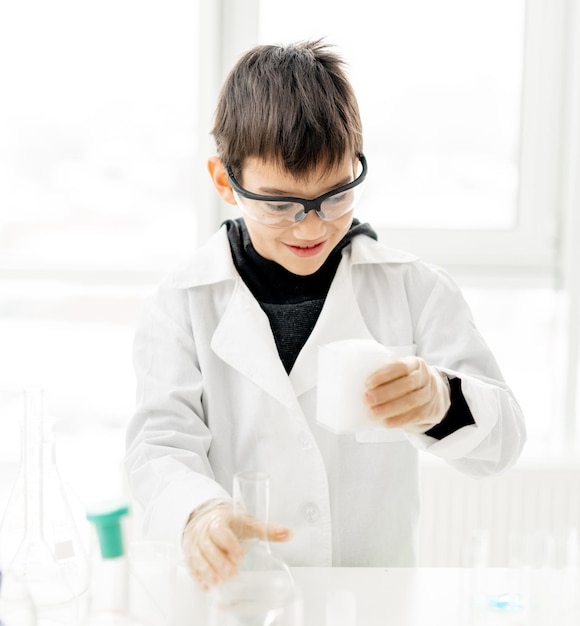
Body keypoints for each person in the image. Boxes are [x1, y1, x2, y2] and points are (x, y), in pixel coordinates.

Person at [124, 39, 526, 590]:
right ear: (225, 181)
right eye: (280, 203)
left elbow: (502, 447)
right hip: (241, 598)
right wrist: (198, 512)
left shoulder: (414, 289)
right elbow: (157, 447)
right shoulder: (184, 302)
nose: (311, 227)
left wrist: (441, 400)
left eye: (334, 195)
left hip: (374, 603)